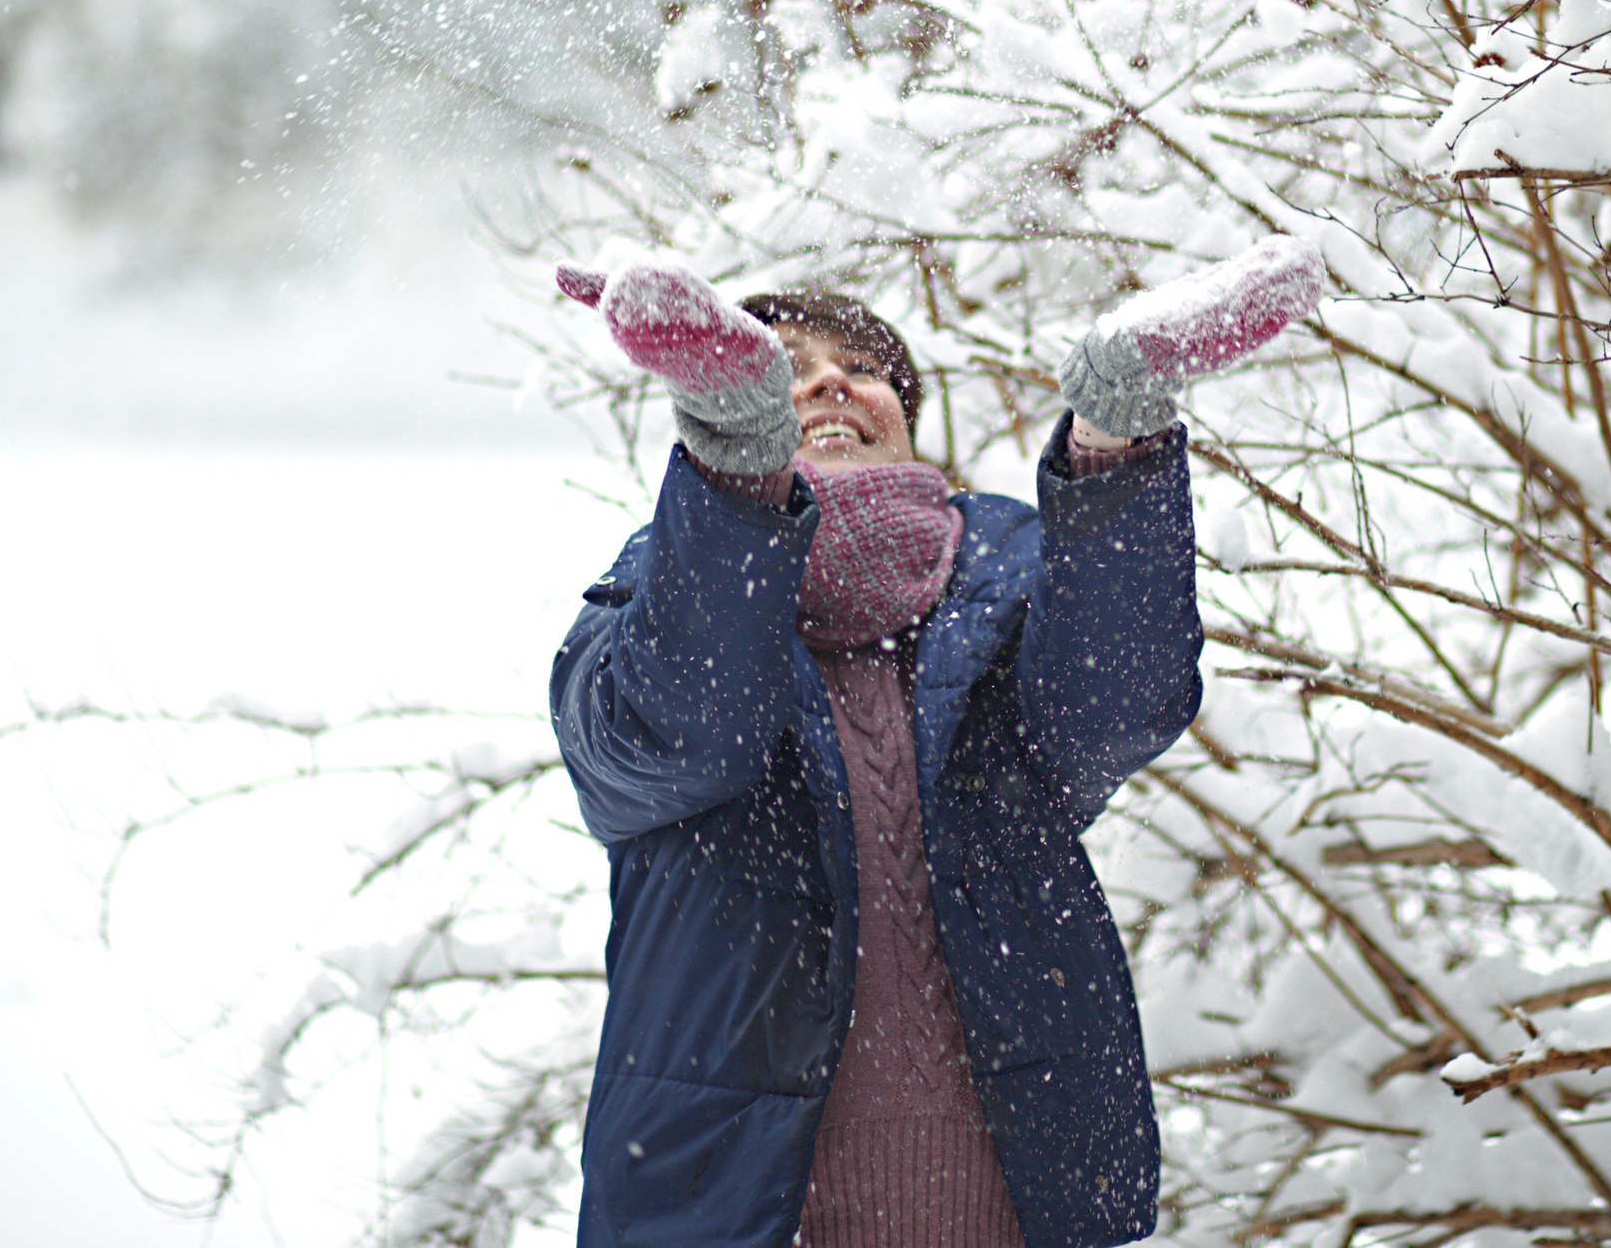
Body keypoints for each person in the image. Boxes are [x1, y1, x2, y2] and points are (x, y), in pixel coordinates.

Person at [545, 240, 1324, 1248]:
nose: (829, 379)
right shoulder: (647, 610)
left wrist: (1117, 429)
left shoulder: (1012, 594)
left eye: (862, 370)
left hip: (1017, 1208)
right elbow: (688, 729)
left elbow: (1118, 704)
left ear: (905, 421)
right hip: (729, 1215)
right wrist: (737, 457)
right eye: (780, 372)